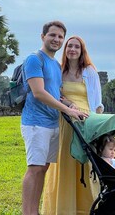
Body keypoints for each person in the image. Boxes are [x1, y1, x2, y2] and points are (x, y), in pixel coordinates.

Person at [21, 22, 87, 215]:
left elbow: (55, 93)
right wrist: (67, 111)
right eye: (52, 35)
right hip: (36, 123)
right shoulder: (35, 59)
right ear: (43, 37)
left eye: (60, 37)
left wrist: (70, 105)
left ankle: (34, 211)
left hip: (52, 124)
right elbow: (39, 92)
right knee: (34, 169)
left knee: (43, 169)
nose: (56, 40)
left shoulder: (56, 65)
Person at [42, 35, 104, 214]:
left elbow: (98, 103)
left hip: (85, 121)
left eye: (77, 47)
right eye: (69, 46)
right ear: (65, 49)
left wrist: (96, 128)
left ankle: (86, 208)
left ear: (82, 50)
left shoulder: (90, 71)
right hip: (66, 120)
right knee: (64, 161)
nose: (73, 50)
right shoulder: (59, 71)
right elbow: (57, 96)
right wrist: (70, 105)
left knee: (86, 162)